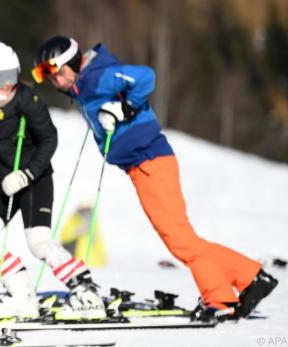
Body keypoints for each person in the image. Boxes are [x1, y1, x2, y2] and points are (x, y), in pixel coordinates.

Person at [31, 36, 278, 322]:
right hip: (141, 165)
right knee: (181, 239)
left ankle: (220, 299)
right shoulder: (82, 86)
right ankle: (250, 277)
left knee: (181, 241)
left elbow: (146, 77)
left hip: (151, 161)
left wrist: (126, 108)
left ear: (73, 64)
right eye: (47, 76)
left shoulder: (99, 77)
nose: (55, 80)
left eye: (58, 72)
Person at [0, 41, 106, 321]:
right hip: (1, 182)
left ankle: (86, 290)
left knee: (39, 242)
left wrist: (28, 174)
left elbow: (49, 138)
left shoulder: (26, 99)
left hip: (34, 178)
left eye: (12, 75)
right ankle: (21, 295)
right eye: (1, 78)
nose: (9, 84)